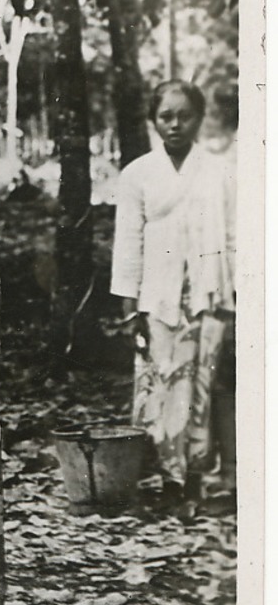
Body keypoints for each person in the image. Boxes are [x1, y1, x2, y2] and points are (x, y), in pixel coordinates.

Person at [110, 79, 236, 514]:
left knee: (206, 383)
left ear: (199, 118)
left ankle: (202, 480)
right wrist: (129, 303)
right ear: (153, 121)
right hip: (158, 294)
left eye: (184, 115)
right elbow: (127, 241)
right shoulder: (138, 174)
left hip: (209, 290)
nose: (175, 124)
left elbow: (237, 234)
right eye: (166, 115)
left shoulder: (220, 171)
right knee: (163, 384)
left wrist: (238, 290)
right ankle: (169, 479)